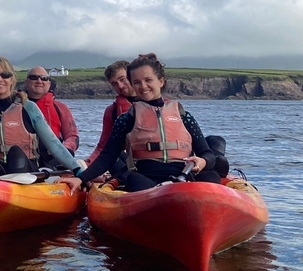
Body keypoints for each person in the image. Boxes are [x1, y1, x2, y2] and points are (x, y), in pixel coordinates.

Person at [61, 53, 221, 194]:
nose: (143, 86)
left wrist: (203, 161)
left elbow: (207, 153)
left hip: (184, 176)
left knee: (211, 176)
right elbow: (107, 157)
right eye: (137, 82)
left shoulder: (183, 115)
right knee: (133, 179)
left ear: (161, 81)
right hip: (146, 179)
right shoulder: (126, 119)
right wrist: (81, 179)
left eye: (148, 80)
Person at [23, 67, 79, 167]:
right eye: (34, 77)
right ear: (26, 82)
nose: (39, 81)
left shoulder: (60, 108)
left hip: (53, 160)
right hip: (25, 159)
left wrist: (66, 151)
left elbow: (72, 136)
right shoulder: (14, 106)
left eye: (44, 78)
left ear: (49, 84)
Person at [86, 60, 135, 165]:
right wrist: (87, 164)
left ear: (132, 76)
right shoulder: (111, 112)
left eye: (123, 79)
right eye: (114, 84)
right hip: (127, 162)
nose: (120, 86)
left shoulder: (158, 105)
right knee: (113, 155)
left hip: (155, 161)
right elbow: (103, 146)